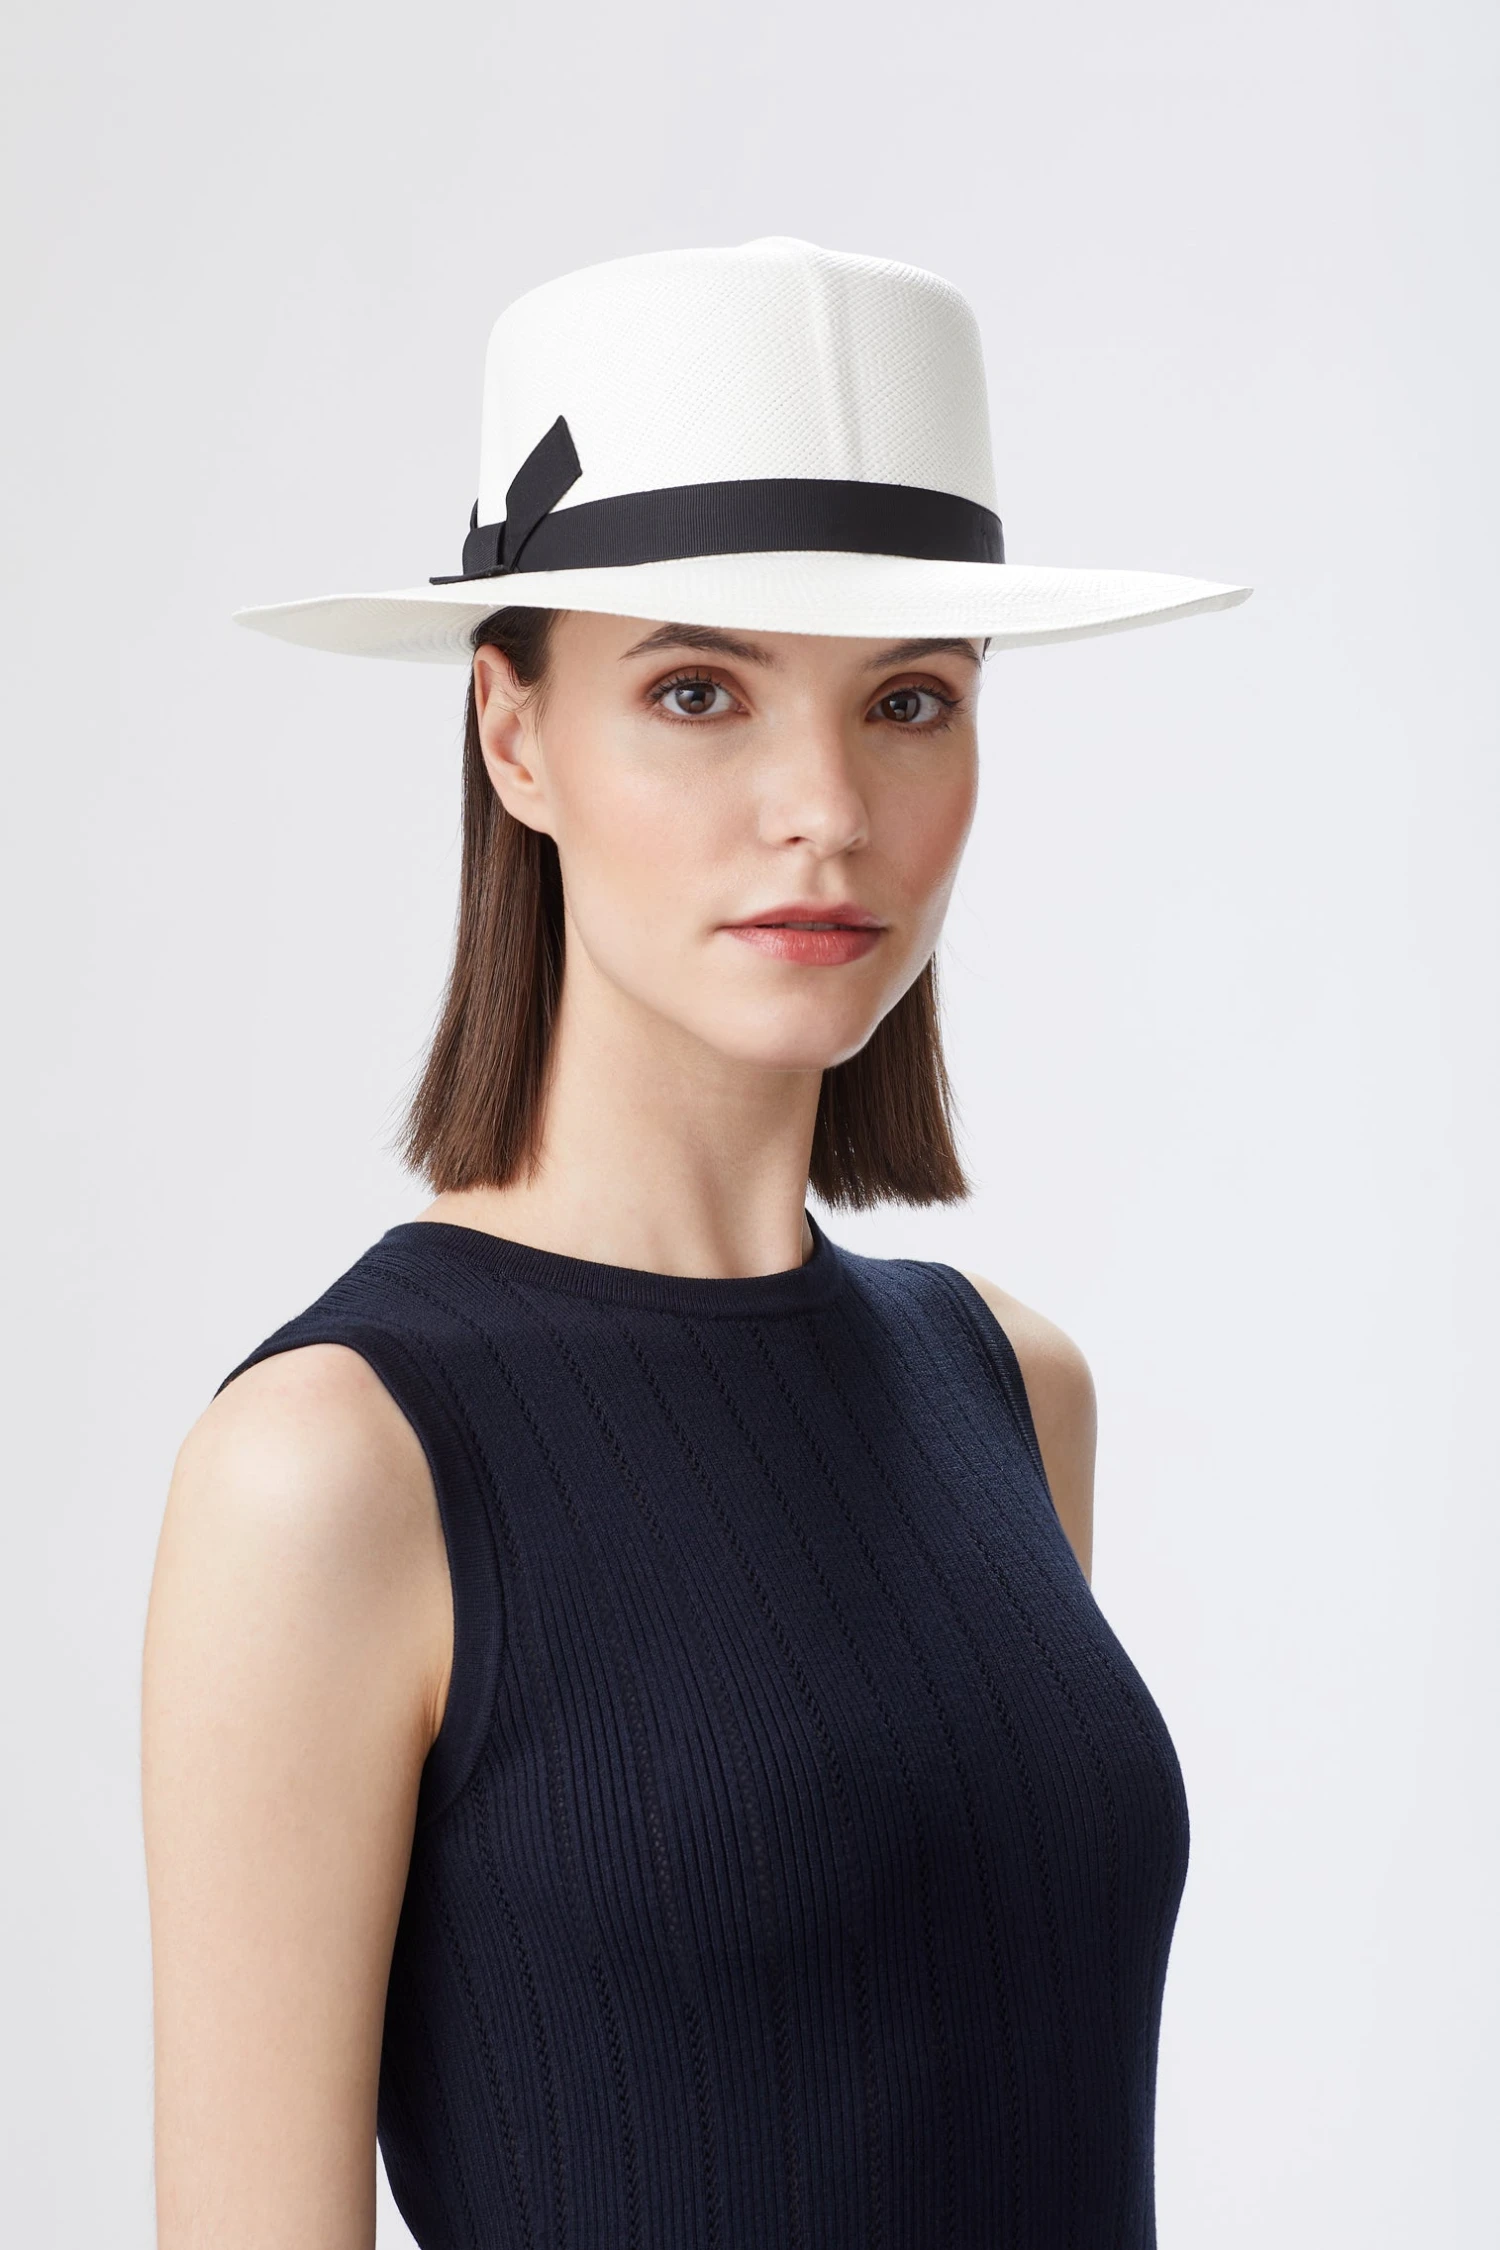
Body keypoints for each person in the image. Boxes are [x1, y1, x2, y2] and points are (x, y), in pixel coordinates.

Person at [141, 236, 1250, 2250]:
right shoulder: (332, 1471)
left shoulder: (1012, 1390)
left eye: (907, 699)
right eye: (697, 690)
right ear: (515, 735)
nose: (824, 806)